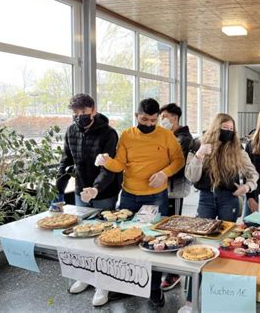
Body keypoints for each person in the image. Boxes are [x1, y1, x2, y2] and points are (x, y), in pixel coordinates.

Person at [95, 98, 185, 307]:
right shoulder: (127, 135)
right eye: (144, 119)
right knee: (123, 241)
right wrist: (106, 161)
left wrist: (165, 173)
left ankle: (154, 289)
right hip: (128, 195)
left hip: (155, 196)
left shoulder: (166, 135)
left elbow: (179, 160)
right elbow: (120, 165)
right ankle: (128, 286)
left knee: (153, 243)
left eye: (153, 120)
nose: (149, 124)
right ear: (136, 116)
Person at [55, 93, 121, 307]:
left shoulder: (109, 133)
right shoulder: (71, 131)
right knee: (82, 235)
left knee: (103, 237)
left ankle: (103, 283)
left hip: (105, 192)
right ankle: (84, 276)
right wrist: (58, 190)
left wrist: (96, 188)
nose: (79, 116)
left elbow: (108, 167)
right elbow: (66, 160)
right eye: (75, 113)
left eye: (83, 112)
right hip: (81, 190)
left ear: (93, 109)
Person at [185, 113, 259, 222]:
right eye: (224, 127)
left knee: (227, 232)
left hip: (229, 197)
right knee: (203, 229)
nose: (228, 131)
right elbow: (192, 177)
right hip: (206, 196)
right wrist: (199, 155)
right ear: (216, 128)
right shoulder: (198, 144)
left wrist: (247, 187)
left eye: (231, 128)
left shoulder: (237, 149)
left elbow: (253, 174)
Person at [158, 103, 193, 292]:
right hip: (159, 189)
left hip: (175, 189)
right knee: (162, 227)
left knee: (174, 228)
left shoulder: (184, 138)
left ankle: (174, 273)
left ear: (175, 118)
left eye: (165, 116)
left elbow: (173, 163)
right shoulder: (165, 135)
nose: (162, 119)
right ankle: (160, 267)